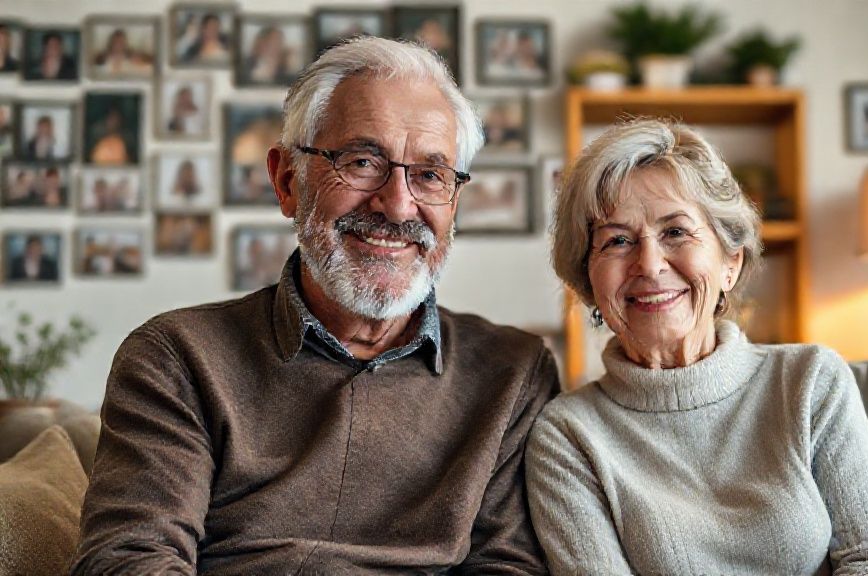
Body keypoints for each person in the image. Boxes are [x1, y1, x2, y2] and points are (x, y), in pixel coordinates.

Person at [72, 36, 558, 574]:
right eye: (362, 161)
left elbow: (508, 566)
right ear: (287, 181)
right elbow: (130, 560)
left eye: (428, 175)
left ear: (454, 200)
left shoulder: (513, 373)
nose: (398, 205)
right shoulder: (176, 358)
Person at [526, 118, 868, 575]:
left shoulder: (810, 381)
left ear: (730, 263)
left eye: (675, 232)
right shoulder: (569, 436)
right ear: (589, 284)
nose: (650, 264)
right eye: (617, 241)